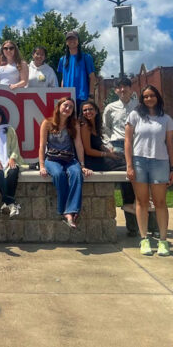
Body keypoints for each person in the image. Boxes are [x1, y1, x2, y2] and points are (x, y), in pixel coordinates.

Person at [124, 86, 173, 256]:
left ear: (157, 97)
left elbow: (170, 144)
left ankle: (163, 240)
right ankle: (144, 238)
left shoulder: (166, 119)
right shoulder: (135, 115)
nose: (149, 99)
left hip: (160, 162)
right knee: (141, 201)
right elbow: (128, 142)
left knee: (160, 202)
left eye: (152, 96)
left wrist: (172, 167)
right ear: (142, 99)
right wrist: (129, 165)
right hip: (139, 161)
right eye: (145, 96)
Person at [39, 97, 93, 228]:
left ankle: (70, 211)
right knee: (58, 174)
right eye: (65, 105)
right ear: (59, 107)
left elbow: (79, 145)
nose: (67, 109)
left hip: (69, 159)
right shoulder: (47, 123)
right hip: (52, 159)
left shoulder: (73, 124)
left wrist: (82, 165)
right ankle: (65, 211)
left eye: (71, 107)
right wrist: (41, 165)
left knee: (76, 174)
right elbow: (41, 146)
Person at [103, 76, 140, 236]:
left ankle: (149, 226)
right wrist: (110, 146)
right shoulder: (110, 108)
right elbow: (105, 129)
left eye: (125, 87)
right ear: (115, 90)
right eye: (119, 87)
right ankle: (132, 228)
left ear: (130, 89)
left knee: (141, 187)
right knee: (126, 187)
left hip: (136, 146)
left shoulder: (138, 107)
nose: (123, 90)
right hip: (117, 146)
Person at [79, 100, 125, 171]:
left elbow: (99, 144)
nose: (88, 112)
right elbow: (88, 151)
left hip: (100, 157)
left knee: (123, 157)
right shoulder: (85, 127)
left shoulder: (96, 126)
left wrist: (109, 152)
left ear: (96, 111)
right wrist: (107, 154)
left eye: (91, 109)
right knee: (123, 165)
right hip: (91, 161)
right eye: (85, 110)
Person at [57, 30, 96, 109]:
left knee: (81, 121)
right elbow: (63, 79)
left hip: (82, 97)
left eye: (74, 39)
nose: (72, 41)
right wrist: (62, 95)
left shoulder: (86, 57)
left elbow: (92, 77)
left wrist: (91, 95)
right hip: (68, 98)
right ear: (66, 42)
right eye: (69, 39)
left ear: (78, 41)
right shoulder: (62, 59)